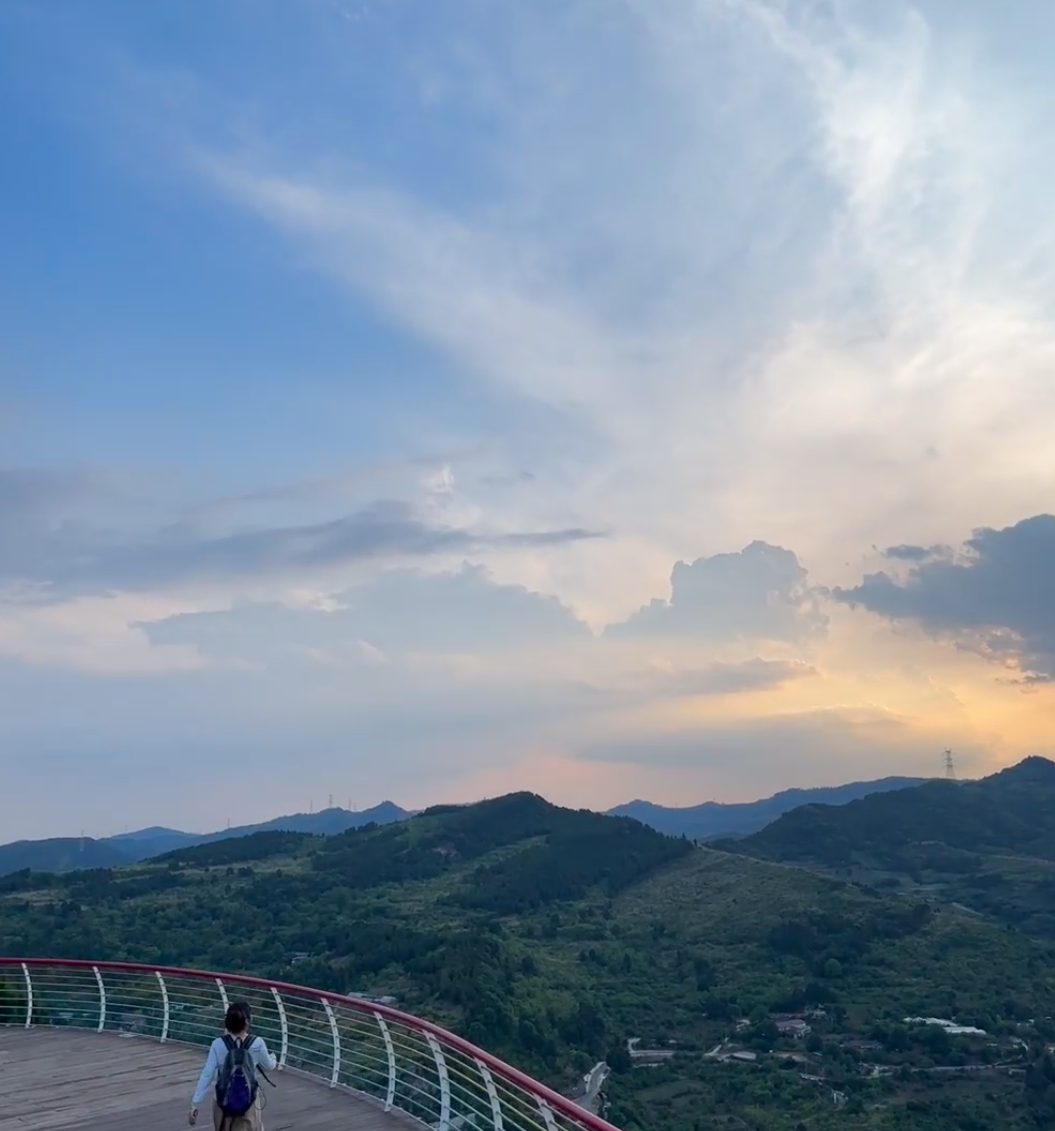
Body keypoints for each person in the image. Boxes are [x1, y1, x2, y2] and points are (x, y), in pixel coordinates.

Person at [189, 1001, 278, 1131]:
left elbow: (207, 1074)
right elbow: (269, 1066)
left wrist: (195, 1104)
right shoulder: (257, 1043)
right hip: (248, 1100)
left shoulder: (218, 1044)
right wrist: (273, 1058)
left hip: (223, 1100)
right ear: (247, 1022)